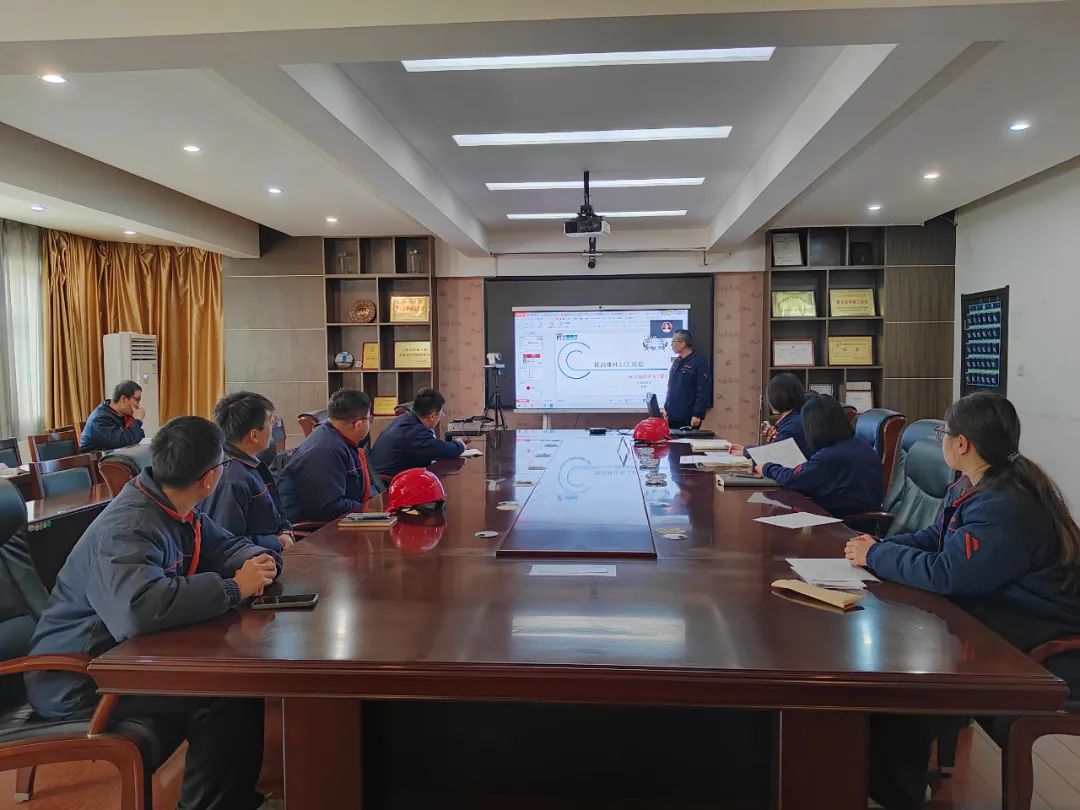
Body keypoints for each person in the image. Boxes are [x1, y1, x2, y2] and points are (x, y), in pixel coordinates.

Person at [25, 416, 283, 810]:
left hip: (122, 660)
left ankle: (234, 799)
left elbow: (225, 547)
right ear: (209, 478)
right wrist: (234, 588)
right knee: (224, 692)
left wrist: (260, 561)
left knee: (235, 680)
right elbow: (137, 610)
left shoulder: (173, 505)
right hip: (78, 678)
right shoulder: (129, 525)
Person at [843, 392, 1080, 809]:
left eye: (944, 435)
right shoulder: (975, 486)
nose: (943, 442)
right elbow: (936, 539)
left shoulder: (1004, 506)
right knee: (896, 656)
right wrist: (878, 548)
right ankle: (881, 781)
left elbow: (948, 574)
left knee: (905, 674)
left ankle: (895, 792)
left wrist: (877, 557)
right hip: (997, 620)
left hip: (1038, 642)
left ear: (963, 443)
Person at [758, 394, 882, 518]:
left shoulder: (830, 456)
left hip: (844, 523)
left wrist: (766, 468)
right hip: (850, 516)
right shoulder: (857, 444)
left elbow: (791, 478)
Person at [204, 392, 294, 552]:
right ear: (254, 435)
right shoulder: (231, 479)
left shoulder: (247, 462)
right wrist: (277, 541)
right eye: (270, 422)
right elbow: (225, 543)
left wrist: (285, 531)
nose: (273, 427)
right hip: (254, 561)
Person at [279, 389, 374, 523]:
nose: (370, 423)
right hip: (318, 529)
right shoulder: (325, 450)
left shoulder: (340, 439)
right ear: (358, 424)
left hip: (342, 520)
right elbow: (330, 508)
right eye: (369, 419)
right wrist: (369, 510)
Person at [371, 388, 467, 479]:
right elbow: (440, 450)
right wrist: (460, 445)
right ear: (432, 416)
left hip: (383, 477)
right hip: (390, 484)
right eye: (442, 414)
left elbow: (434, 446)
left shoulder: (405, 419)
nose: (441, 417)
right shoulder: (415, 432)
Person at [730, 373, 810, 458]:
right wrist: (747, 450)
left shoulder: (791, 427)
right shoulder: (795, 418)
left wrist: (748, 452)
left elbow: (775, 457)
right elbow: (775, 450)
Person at [663, 329, 710, 430]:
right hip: (672, 415)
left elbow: (703, 391)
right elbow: (671, 387)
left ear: (682, 344)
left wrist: (698, 414)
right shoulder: (677, 361)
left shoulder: (699, 362)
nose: (671, 345)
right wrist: (666, 408)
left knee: (685, 440)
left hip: (687, 417)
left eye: (673, 342)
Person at [79, 380, 146, 451]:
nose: (138, 405)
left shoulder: (124, 415)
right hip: (96, 457)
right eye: (137, 399)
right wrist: (138, 420)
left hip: (116, 455)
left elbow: (140, 435)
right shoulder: (100, 418)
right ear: (124, 399)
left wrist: (130, 436)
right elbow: (121, 443)